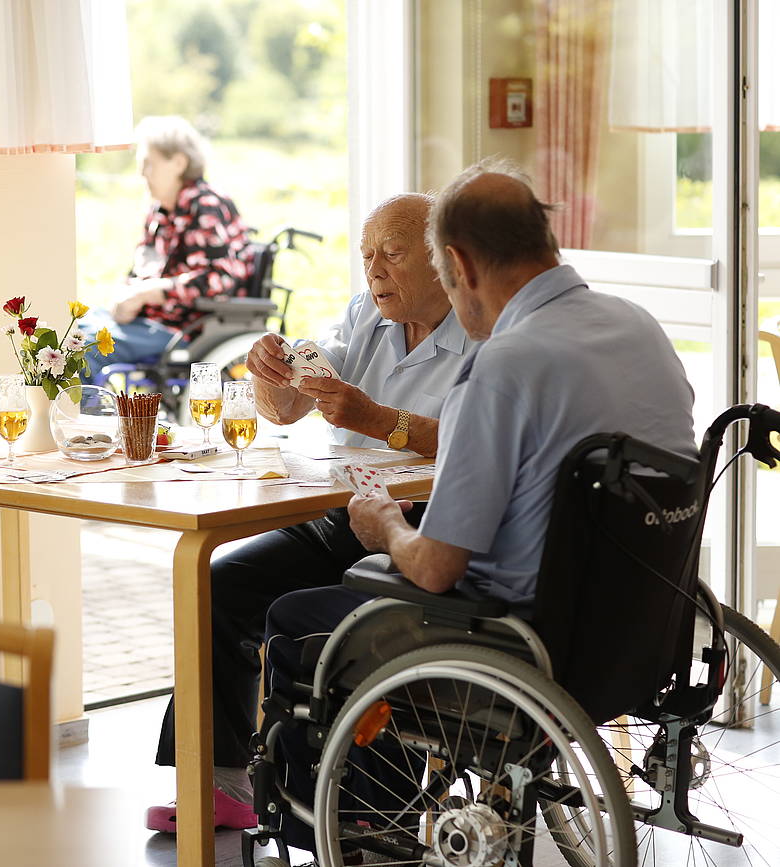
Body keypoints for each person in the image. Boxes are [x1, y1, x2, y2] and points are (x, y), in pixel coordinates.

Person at [260, 159, 697, 855]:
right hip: (637, 628)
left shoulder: (504, 365)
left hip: (513, 639)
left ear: (456, 262)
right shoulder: (640, 327)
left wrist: (386, 526)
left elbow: (434, 568)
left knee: (295, 614)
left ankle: (349, 831)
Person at [147, 192, 473, 833]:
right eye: (367, 255)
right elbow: (289, 408)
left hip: (420, 528)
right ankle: (221, 781)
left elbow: (480, 438)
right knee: (217, 583)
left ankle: (340, 796)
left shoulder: (480, 331)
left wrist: (378, 420)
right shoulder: (366, 315)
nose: (375, 270)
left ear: (441, 261)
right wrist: (269, 370)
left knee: (298, 616)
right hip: (341, 514)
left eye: (393, 255)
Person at [80, 116, 253, 378]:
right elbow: (140, 269)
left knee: (86, 346)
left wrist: (151, 292)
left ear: (179, 163)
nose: (141, 173)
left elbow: (219, 279)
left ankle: (85, 416)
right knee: (73, 331)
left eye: (148, 163)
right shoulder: (159, 211)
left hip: (183, 329)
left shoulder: (205, 206)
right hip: (146, 322)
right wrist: (124, 297)